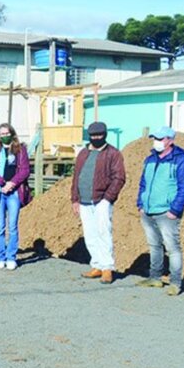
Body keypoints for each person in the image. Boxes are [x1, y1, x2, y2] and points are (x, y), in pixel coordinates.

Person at [136, 126, 184, 296]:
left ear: (170, 140)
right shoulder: (150, 160)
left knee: (172, 248)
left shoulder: (182, 160)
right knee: (154, 246)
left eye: (160, 139)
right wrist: (141, 203)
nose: (157, 142)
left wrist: (175, 210)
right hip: (148, 210)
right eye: (155, 138)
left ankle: (175, 282)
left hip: (167, 212)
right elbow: (143, 184)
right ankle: (155, 278)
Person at [70, 121, 126, 283]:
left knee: (104, 233)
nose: (96, 138)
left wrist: (108, 198)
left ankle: (107, 267)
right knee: (90, 234)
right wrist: (75, 199)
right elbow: (76, 177)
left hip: (102, 200)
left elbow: (119, 177)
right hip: (84, 201)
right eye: (93, 135)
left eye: (99, 135)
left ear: (105, 135)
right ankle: (97, 265)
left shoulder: (113, 154)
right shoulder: (82, 153)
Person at [0, 122, 31, 270]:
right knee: (0, 227)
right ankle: (0, 256)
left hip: (14, 192)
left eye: (7, 133)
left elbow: (24, 170)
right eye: (2, 134)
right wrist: (1, 182)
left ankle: (11, 257)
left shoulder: (20, 149)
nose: (4, 136)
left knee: (12, 226)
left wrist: (11, 183)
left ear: (12, 133)